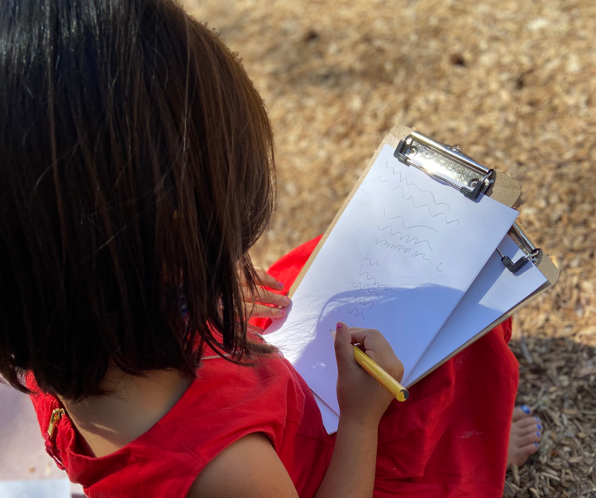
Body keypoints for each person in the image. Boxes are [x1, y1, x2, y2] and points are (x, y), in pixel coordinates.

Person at [0, 1, 541, 496]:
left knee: (313, 271)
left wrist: (197, 299)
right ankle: (483, 454)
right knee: (450, 372)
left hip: (267, 405)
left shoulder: (54, 335)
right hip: (321, 465)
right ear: (166, 251)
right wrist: (359, 420)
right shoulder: (226, 469)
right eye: (220, 239)